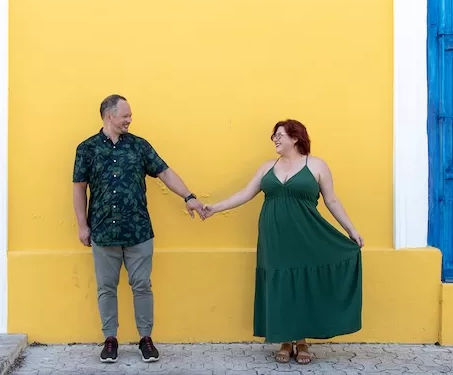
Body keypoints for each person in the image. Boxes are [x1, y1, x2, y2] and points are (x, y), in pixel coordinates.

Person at [202, 119, 363, 365]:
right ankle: (285, 340)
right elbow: (245, 194)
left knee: (302, 283)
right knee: (280, 283)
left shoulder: (317, 165)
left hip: (308, 235)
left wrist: (351, 230)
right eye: (274, 136)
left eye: (279, 135)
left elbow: (331, 200)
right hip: (274, 236)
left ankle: (301, 341)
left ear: (295, 137)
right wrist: (215, 207)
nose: (275, 139)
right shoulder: (268, 167)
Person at [72, 94, 205, 363]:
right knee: (106, 287)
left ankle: (146, 338)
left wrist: (189, 196)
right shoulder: (86, 149)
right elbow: (79, 188)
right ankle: (110, 339)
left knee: (142, 285)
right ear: (109, 115)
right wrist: (82, 225)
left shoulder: (139, 146)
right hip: (102, 231)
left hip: (138, 231)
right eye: (126, 115)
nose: (130, 119)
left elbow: (165, 172)